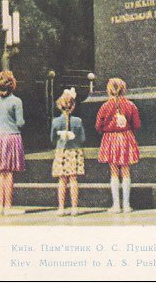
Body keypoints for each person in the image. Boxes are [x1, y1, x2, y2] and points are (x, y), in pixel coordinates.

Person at [95, 78, 141, 213]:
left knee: (114, 172)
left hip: (110, 139)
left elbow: (98, 125)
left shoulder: (104, 106)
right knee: (126, 171)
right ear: (124, 89)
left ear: (109, 90)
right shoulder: (131, 105)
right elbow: (137, 124)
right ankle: (126, 205)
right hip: (126, 137)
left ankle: (116, 205)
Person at [0, 70, 25, 216]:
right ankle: (8, 206)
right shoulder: (16, 101)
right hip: (12, 137)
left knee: (1, 174)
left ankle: (1, 206)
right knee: (9, 173)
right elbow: (20, 122)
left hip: (0, 138)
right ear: (12, 84)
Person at [50, 88, 85, 216]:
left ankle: (61, 207)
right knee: (73, 179)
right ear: (73, 106)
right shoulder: (78, 121)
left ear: (59, 105)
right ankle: (74, 207)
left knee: (62, 181)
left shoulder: (55, 121)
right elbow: (82, 138)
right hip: (74, 152)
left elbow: (52, 139)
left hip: (61, 152)